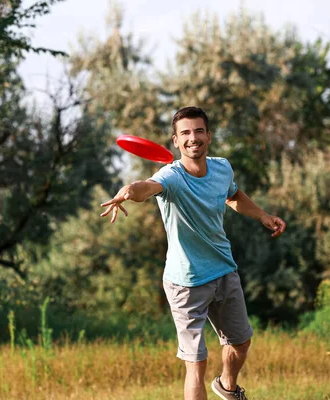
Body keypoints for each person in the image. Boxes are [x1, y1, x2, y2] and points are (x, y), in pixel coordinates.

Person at [100, 107, 286, 400]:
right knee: (195, 362)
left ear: (208, 136)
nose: (193, 138)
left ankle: (227, 386)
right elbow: (146, 188)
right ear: (175, 141)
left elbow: (232, 195)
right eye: (185, 133)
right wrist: (128, 189)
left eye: (198, 131)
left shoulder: (223, 168)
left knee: (241, 343)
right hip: (186, 282)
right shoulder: (171, 177)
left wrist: (262, 215)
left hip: (223, 269)